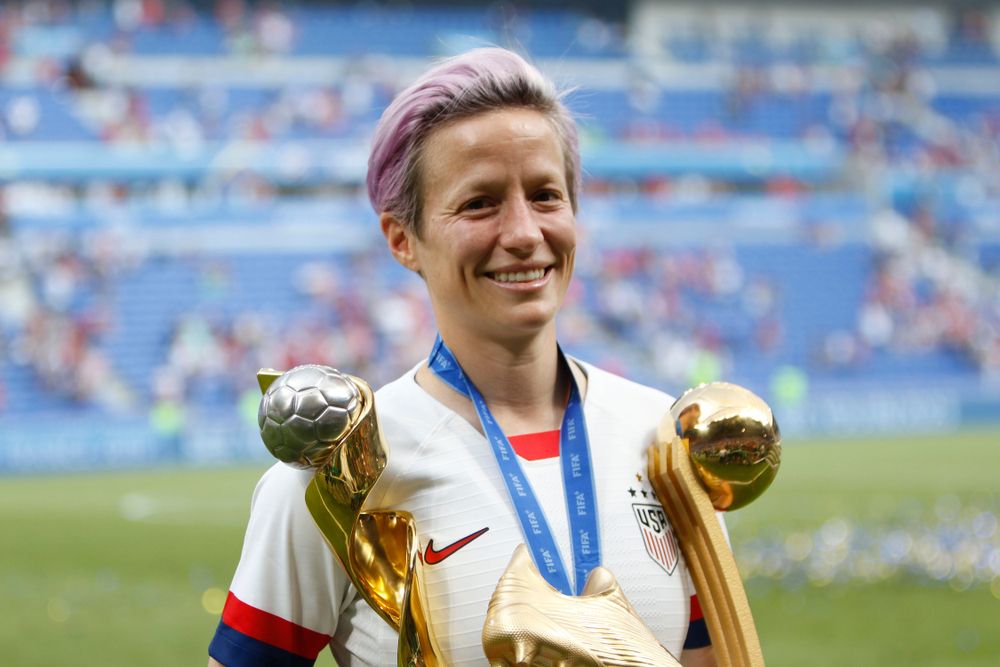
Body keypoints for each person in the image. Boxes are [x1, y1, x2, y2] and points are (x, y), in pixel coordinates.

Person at [209, 47, 718, 667]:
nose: (525, 233)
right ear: (403, 240)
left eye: (546, 195)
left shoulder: (662, 438)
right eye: (480, 203)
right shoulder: (343, 472)